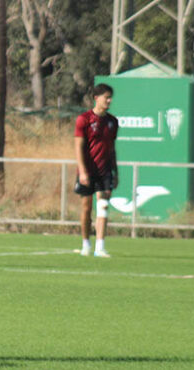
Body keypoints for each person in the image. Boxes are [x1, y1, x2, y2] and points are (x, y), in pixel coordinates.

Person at [74, 83, 118, 258]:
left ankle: (100, 246)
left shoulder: (112, 122)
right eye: (106, 97)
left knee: (103, 205)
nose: (109, 100)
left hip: (105, 170)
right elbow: (78, 146)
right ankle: (86, 243)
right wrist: (83, 171)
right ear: (96, 98)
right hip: (88, 170)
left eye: (110, 97)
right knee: (86, 208)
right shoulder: (84, 119)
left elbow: (112, 148)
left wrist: (116, 172)